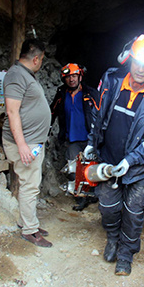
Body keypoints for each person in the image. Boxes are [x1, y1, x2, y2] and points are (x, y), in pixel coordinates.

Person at [84, 34, 144, 276]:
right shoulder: (112, 80)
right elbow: (98, 113)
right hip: (108, 160)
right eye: (137, 62)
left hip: (140, 169)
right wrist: (91, 143)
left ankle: (126, 254)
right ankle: (113, 239)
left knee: (134, 213)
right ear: (128, 58)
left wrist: (131, 160)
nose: (141, 70)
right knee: (108, 207)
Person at [2, 38, 53, 248]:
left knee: (31, 184)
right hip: (25, 142)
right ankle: (29, 230)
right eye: (40, 59)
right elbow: (12, 111)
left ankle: (29, 222)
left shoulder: (24, 75)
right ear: (36, 58)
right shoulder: (16, 75)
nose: (40, 63)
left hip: (33, 140)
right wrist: (22, 145)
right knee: (29, 186)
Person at [50, 63, 99, 211]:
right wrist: (45, 130)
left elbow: (102, 113)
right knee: (74, 170)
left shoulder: (90, 93)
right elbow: (51, 113)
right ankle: (81, 198)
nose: (71, 79)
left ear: (79, 76)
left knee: (93, 169)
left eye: (74, 76)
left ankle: (95, 194)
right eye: (68, 77)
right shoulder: (61, 95)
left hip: (91, 139)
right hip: (72, 139)